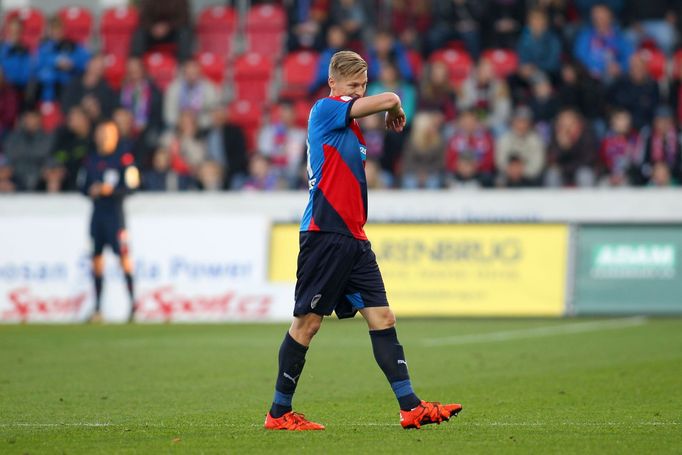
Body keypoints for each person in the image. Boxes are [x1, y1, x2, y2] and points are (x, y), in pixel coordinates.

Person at [264, 50, 462, 432]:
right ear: (333, 83)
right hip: (325, 234)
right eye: (352, 86)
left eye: (362, 86)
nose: (357, 94)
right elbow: (389, 99)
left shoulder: (350, 129)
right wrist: (392, 105)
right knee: (306, 325)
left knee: (382, 317)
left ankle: (411, 407)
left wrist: (388, 105)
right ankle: (278, 413)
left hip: (354, 238)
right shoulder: (324, 110)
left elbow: (383, 101)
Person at [79, 121, 140, 323]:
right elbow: (81, 185)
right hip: (97, 216)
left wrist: (110, 191)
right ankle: (97, 308)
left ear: (115, 136)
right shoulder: (91, 160)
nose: (104, 137)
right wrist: (91, 191)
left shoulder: (124, 160)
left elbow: (132, 186)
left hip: (116, 216)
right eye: (101, 133)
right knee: (96, 260)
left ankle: (132, 306)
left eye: (108, 133)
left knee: (124, 259)